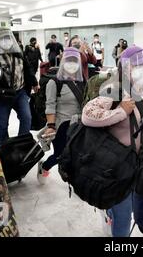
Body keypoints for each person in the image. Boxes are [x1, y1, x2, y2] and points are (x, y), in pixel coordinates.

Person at [81, 46, 143, 237]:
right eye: (138, 66)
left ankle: (110, 211)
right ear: (125, 69)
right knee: (124, 220)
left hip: (139, 167)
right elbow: (87, 115)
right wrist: (121, 111)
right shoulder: (113, 91)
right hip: (117, 169)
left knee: (134, 209)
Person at [0, 27, 39, 146]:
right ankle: (3, 147)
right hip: (1, 95)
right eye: (3, 38)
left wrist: (34, 82)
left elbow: (26, 68)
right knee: (2, 123)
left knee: (26, 118)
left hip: (20, 92)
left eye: (8, 37)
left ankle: (22, 144)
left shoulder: (18, 51)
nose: (6, 40)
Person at [37, 47, 85, 184]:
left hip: (78, 125)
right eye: (68, 61)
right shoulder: (54, 82)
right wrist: (51, 126)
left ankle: (74, 180)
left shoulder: (82, 82)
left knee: (76, 154)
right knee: (60, 155)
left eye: (75, 61)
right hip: (61, 125)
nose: (72, 64)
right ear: (62, 62)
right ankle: (44, 166)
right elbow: (50, 105)